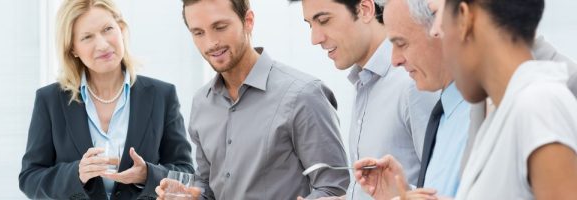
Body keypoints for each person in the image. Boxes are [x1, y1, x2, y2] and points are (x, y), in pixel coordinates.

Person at [356, 0, 577, 199]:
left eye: (437, 14)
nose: (435, 31)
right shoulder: (500, 114)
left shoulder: (539, 104)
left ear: (463, 18)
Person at [156, 0, 350, 199]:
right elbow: (206, 186)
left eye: (220, 27)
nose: (210, 42)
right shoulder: (201, 103)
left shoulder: (304, 95)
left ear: (248, 21)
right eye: (198, 33)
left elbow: (332, 188)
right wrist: (191, 196)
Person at [18, 0, 194, 199]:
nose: (102, 44)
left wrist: (148, 174)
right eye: (87, 37)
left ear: (121, 29)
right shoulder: (49, 100)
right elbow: (30, 178)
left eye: (108, 29)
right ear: (73, 49)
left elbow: (185, 173)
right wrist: (77, 173)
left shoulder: (162, 95)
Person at [288, 0, 439, 199]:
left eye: (324, 20)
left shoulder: (412, 82)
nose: (315, 38)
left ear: (365, 10)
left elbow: (442, 189)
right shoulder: (363, 83)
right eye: (310, 24)